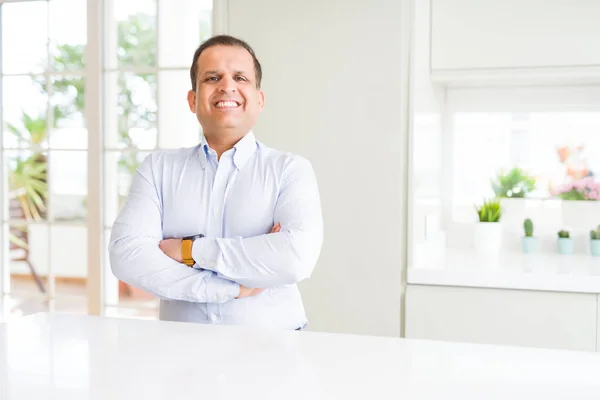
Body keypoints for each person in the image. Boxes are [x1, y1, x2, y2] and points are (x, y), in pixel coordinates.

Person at [108, 35, 323, 331]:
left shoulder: (290, 170)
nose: (227, 86)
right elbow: (126, 256)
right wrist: (234, 286)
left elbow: (295, 259)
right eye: (212, 77)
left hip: (275, 351)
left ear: (259, 100)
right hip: (180, 351)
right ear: (193, 99)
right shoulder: (157, 169)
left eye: (240, 77)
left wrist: (188, 251)